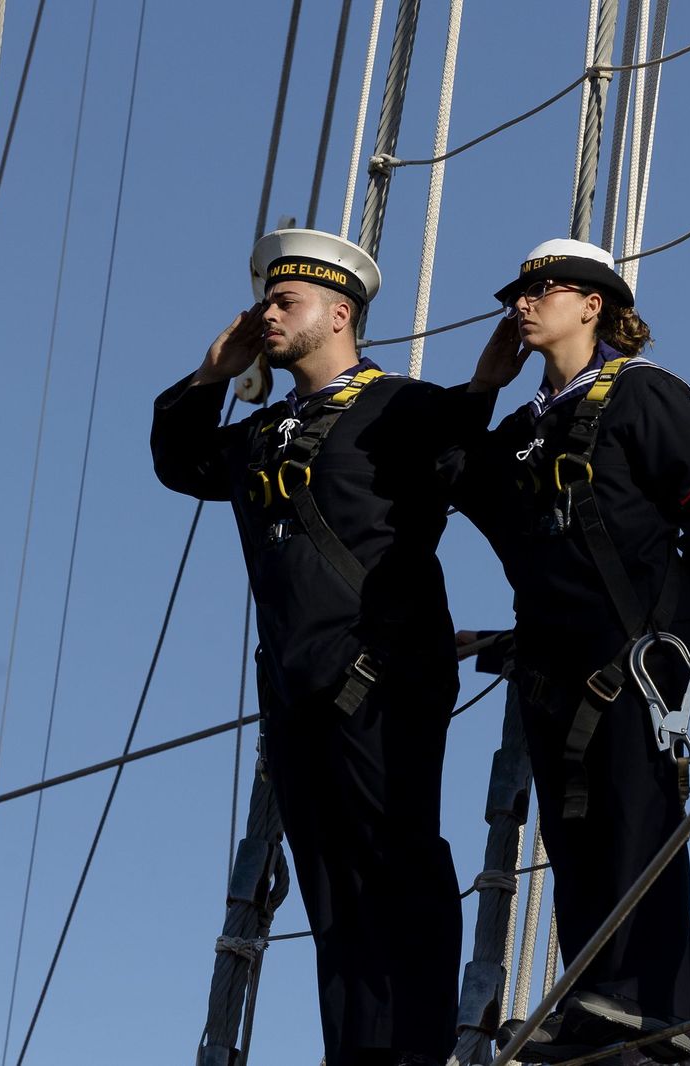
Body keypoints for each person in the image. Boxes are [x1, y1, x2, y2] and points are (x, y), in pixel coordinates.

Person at [151, 228, 491, 1066]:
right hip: (296, 693)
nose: (267, 312)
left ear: (339, 314)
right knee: (333, 893)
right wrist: (211, 375)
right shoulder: (261, 434)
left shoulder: (402, 408)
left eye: (285, 301)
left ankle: (418, 1049)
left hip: (383, 677)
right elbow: (176, 459)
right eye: (265, 300)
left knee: (399, 863)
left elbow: (487, 473)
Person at [442, 238, 690, 1063]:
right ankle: (589, 998)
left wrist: (682, 614)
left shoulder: (643, 393)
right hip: (551, 662)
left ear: (593, 304)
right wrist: (481, 387)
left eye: (543, 289)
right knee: (574, 832)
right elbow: (448, 475)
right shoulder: (520, 430)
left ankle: (650, 1009)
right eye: (519, 292)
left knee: (636, 820)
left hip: (633, 654)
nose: (522, 302)